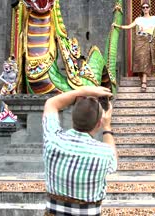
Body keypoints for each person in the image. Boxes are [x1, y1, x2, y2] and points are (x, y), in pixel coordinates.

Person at [43, 86, 117, 216]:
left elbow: (51, 103)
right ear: (99, 123)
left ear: (72, 118)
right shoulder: (104, 153)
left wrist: (83, 91)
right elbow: (113, 162)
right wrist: (107, 126)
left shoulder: (53, 140)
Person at [112, 3, 155, 92]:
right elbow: (129, 26)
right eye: (143, 7)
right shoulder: (138, 19)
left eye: (147, 7)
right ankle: (142, 80)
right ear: (142, 9)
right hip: (139, 40)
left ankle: (144, 82)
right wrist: (117, 26)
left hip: (148, 40)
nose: (145, 9)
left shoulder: (154, 19)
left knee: (146, 60)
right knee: (139, 61)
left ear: (149, 8)